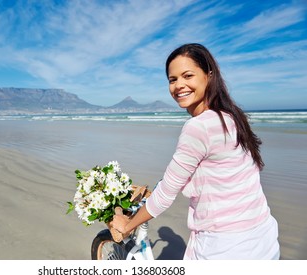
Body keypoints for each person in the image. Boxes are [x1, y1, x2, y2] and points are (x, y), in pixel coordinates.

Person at [111, 43, 280, 260]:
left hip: (226, 249)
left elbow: (165, 196)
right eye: (173, 80)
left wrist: (127, 225)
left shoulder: (199, 127)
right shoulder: (232, 117)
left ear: (209, 75)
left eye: (187, 75)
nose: (179, 85)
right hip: (263, 239)